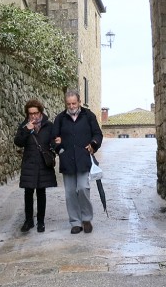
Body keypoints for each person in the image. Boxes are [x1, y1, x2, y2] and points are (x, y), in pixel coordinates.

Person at [52, 88, 103, 234]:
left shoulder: (88, 116)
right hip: (67, 160)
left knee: (83, 188)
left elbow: (98, 134)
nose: (72, 106)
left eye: (74, 103)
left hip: (83, 158)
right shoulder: (60, 119)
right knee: (69, 193)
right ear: (66, 104)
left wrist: (93, 144)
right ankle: (75, 222)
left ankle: (86, 219)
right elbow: (53, 138)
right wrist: (59, 149)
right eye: (69, 104)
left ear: (79, 102)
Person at [13, 98, 57, 233]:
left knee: (41, 192)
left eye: (35, 113)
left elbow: (54, 142)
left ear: (40, 112)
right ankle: (28, 221)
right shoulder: (24, 125)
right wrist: (27, 130)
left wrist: (55, 147)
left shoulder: (48, 126)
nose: (33, 116)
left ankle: (41, 222)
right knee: (28, 192)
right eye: (30, 113)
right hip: (29, 163)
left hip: (43, 163)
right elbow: (18, 142)